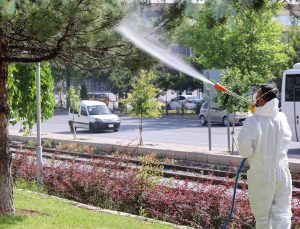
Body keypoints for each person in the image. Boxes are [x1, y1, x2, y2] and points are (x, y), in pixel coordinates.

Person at [237, 84, 293, 229]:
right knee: (282, 214)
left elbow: (245, 151)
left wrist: (251, 117)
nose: (255, 100)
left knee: (263, 217)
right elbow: (286, 139)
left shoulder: (253, 122)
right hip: (282, 173)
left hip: (262, 175)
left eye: (257, 97)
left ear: (262, 101)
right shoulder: (282, 118)